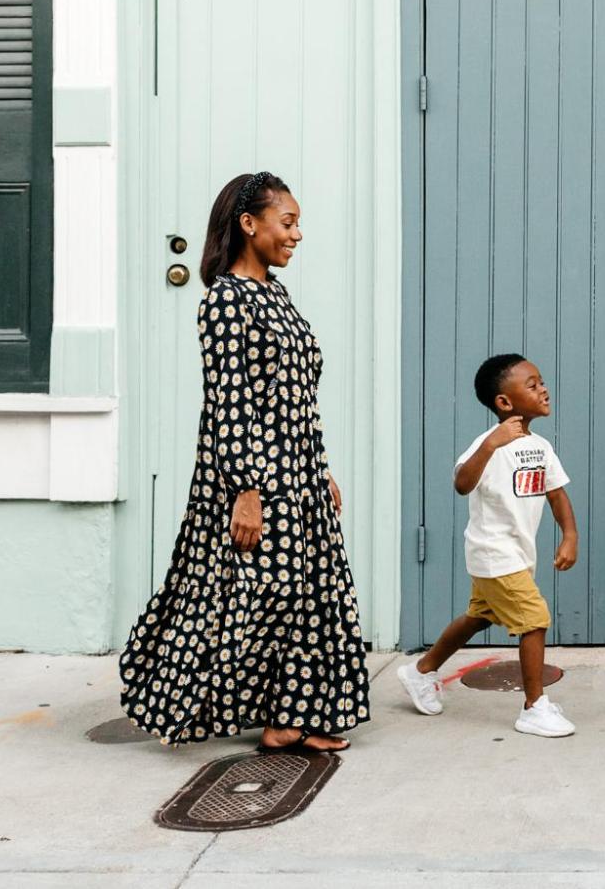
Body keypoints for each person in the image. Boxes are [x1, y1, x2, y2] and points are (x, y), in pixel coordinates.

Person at [120, 172, 370, 752]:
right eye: (288, 223)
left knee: (308, 595)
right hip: (255, 473)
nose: (298, 235)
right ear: (248, 224)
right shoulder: (226, 302)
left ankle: (289, 720)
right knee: (262, 594)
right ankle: (189, 698)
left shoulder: (274, 294)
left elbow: (293, 392)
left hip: (298, 470)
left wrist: (320, 466)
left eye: (298, 223)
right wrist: (247, 490)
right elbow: (230, 403)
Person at [395, 354, 580, 738]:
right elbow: (463, 483)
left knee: (478, 616)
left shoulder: (541, 446)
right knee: (534, 619)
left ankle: (420, 671)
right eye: (532, 385)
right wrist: (490, 446)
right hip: (493, 552)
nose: (543, 389)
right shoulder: (488, 444)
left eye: (541, 381)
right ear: (504, 403)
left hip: (516, 553)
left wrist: (570, 535)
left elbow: (556, 494)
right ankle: (534, 707)